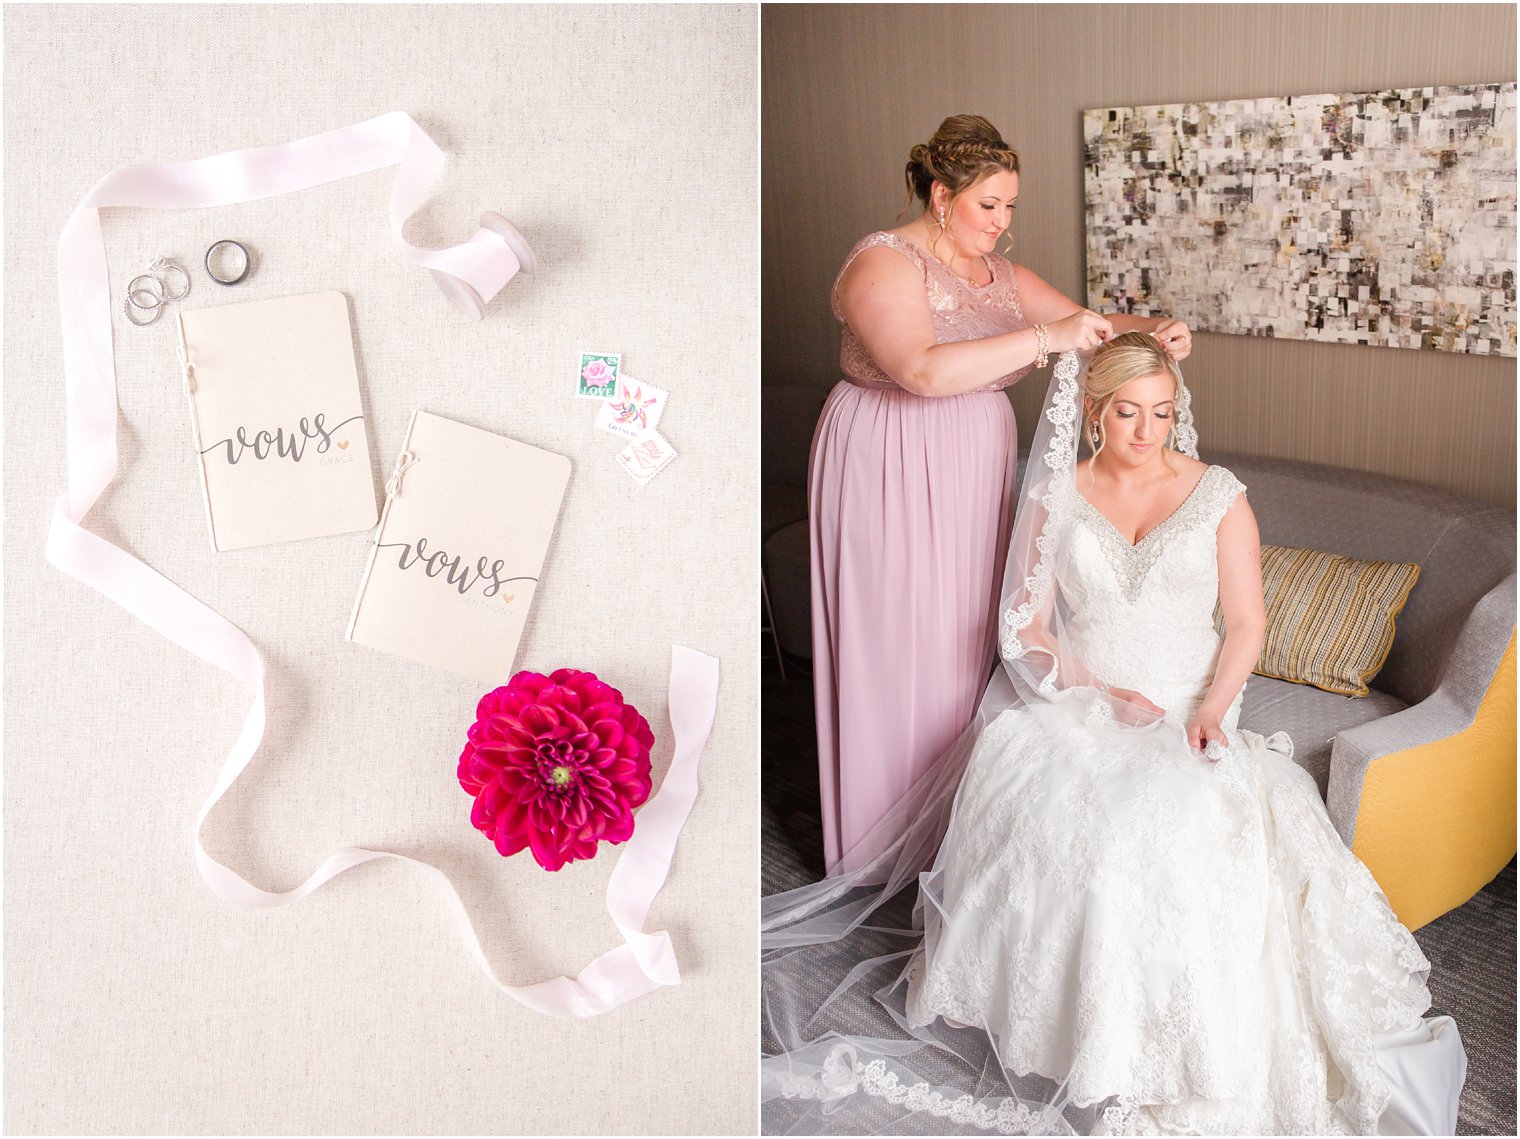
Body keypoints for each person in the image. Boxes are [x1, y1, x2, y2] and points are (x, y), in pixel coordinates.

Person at [763, 335, 1466, 1135]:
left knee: (1170, 823)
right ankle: (1074, 1035)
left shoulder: (1218, 493)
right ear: (1094, 413)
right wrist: (1094, 690)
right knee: (1060, 814)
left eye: (1163, 412)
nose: (1147, 430)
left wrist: (1208, 710)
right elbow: (1024, 628)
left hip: (1192, 705)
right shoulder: (1054, 496)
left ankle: (1169, 1042)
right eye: (1129, 412)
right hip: (1084, 702)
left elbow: (1246, 625)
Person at [812, 115, 1191, 876]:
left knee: (966, 633)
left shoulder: (1001, 278)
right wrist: (1047, 341)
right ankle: (877, 846)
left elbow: (1085, 324)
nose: (1002, 222)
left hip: (975, 459)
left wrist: (1152, 328)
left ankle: (954, 833)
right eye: (989, 205)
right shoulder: (882, 264)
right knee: (896, 633)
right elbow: (919, 368)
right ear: (942, 193)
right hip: (889, 455)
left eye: (1010, 207)